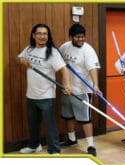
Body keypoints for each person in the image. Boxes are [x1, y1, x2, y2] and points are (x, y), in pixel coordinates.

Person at [18, 23, 71, 154]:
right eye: (40, 33)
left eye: (45, 34)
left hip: (47, 96)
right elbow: (20, 58)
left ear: (48, 36)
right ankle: (34, 145)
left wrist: (67, 85)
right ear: (34, 35)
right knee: (33, 124)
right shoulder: (29, 49)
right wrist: (23, 60)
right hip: (31, 94)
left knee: (50, 125)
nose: (42, 36)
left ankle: (54, 150)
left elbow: (64, 69)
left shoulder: (52, 52)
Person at [59, 23, 101, 156]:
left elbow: (92, 68)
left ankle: (90, 145)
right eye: (78, 37)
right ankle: (72, 140)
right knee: (68, 116)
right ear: (71, 36)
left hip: (83, 90)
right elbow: (57, 59)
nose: (81, 39)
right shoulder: (65, 47)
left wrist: (96, 85)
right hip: (67, 88)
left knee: (85, 119)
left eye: (82, 37)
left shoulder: (88, 50)